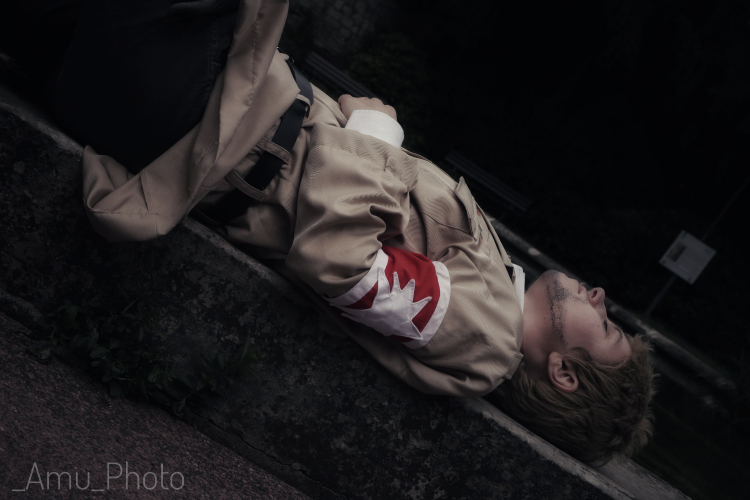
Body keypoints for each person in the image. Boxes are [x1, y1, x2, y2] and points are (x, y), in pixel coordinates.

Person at [2, 0, 653, 464]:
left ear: (564, 374)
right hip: (212, 93)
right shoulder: (490, 297)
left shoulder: (485, 331)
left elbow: (341, 261)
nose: (599, 298)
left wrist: (376, 134)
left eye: (606, 325)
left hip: (197, 111)